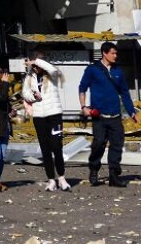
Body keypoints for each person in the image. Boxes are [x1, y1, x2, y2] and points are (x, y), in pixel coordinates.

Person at [79, 42, 141, 187]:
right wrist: (83, 107)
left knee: (117, 146)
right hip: (99, 116)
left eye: (116, 53)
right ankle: (94, 169)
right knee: (99, 144)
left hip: (115, 116)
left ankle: (113, 175)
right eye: (113, 53)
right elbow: (82, 88)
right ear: (104, 53)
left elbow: (125, 93)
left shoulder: (118, 71)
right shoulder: (92, 70)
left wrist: (131, 111)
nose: (115, 56)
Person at [22, 52, 70, 192]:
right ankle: (51, 180)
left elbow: (51, 69)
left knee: (56, 146)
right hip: (39, 115)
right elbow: (24, 93)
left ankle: (61, 177)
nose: (35, 68)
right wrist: (33, 96)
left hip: (54, 114)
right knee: (45, 148)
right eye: (33, 66)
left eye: (37, 65)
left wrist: (36, 61)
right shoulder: (29, 77)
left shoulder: (52, 75)